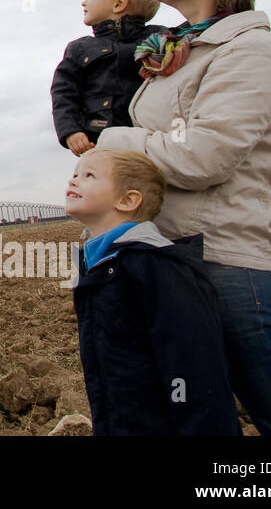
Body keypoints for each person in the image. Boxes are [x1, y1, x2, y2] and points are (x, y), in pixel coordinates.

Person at [95, 0, 271, 435]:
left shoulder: (251, 53)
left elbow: (204, 156)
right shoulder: (183, 51)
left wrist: (114, 141)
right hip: (178, 257)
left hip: (221, 263)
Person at [66, 147, 240, 435]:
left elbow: (194, 366)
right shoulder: (98, 264)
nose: (73, 181)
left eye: (88, 175)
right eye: (74, 174)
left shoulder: (157, 266)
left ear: (128, 200)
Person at [51, 0, 167, 155]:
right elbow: (64, 93)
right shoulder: (79, 49)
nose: (84, 1)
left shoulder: (160, 38)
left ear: (119, 3)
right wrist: (71, 130)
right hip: (99, 141)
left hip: (150, 141)